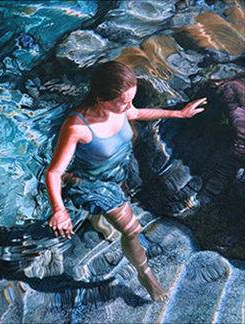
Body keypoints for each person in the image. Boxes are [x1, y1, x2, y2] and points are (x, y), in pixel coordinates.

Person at [45, 61, 206, 302]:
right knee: (132, 230)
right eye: (124, 101)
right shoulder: (78, 126)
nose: (129, 105)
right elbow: (54, 172)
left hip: (115, 173)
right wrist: (58, 210)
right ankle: (144, 273)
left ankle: (97, 218)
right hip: (91, 184)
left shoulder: (120, 109)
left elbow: (139, 114)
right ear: (101, 98)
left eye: (131, 99)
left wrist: (179, 113)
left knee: (117, 211)